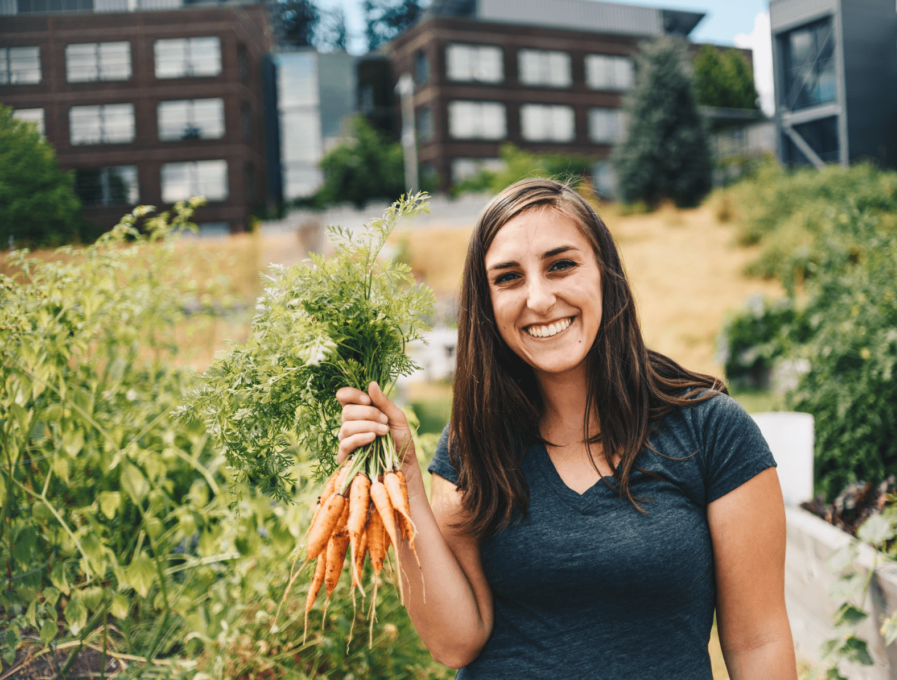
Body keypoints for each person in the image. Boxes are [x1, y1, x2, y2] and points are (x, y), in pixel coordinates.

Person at [335, 179, 796, 679]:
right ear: (486, 304)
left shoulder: (711, 431)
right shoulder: (473, 444)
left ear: (605, 273)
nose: (539, 298)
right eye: (508, 278)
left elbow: (759, 642)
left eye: (561, 265)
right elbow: (454, 644)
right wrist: (399, 484)